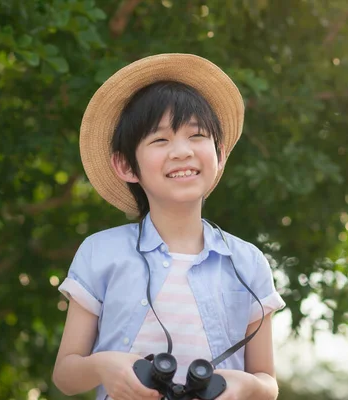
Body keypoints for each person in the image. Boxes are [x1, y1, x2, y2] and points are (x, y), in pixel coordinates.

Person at [52, 54, 286, 400]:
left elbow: (267, 381)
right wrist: (105, 366)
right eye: (160, 140)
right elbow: (66, 375)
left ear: (219, 154)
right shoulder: (100, 253)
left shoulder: (249, 263)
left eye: (197, 135)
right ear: (125, 165)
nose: (182, 152)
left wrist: (246, 387)